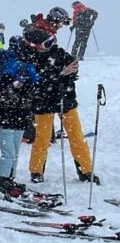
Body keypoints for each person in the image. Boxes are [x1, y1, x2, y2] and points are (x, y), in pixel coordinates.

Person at [25, 29, 98, 184]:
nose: (51, 45)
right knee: (42, 140)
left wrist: (71, 70)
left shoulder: (59, 53)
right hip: (43, 104)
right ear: (37, 46)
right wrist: (61, 73)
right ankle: (36, 171)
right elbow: (38, 81)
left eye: (52, 41)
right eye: (47, 43)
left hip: (66, 101)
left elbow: (71, 69)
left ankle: (86, 170)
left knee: (77, 137)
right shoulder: (31, 58)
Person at [0, 41, 39, 193]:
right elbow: (0, 89)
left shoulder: (20, 69)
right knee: (10, 153)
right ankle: (3, 178)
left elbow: (0, 88)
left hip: (13, 118)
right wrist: (13, 86)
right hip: (11, 118)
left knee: (13, 152)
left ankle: (6, 177)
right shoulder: (20, 70)